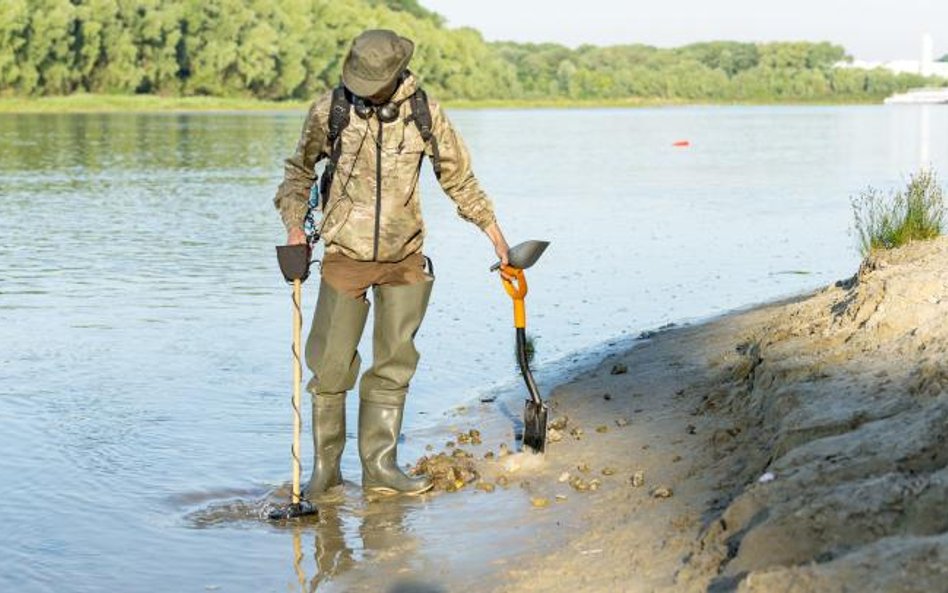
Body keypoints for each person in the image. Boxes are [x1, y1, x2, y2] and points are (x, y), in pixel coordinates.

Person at [273, 29, 511, 497]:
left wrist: (497, 239)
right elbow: (297, 173)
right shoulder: (330, 110)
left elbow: (459, 180)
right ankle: (326, 474)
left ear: (397, 74)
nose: (363, 92)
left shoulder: (425, 113)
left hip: (405, 259)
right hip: (345, 256)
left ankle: (381, 469)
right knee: (331, 366)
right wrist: (295, 228)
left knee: (394, 365)